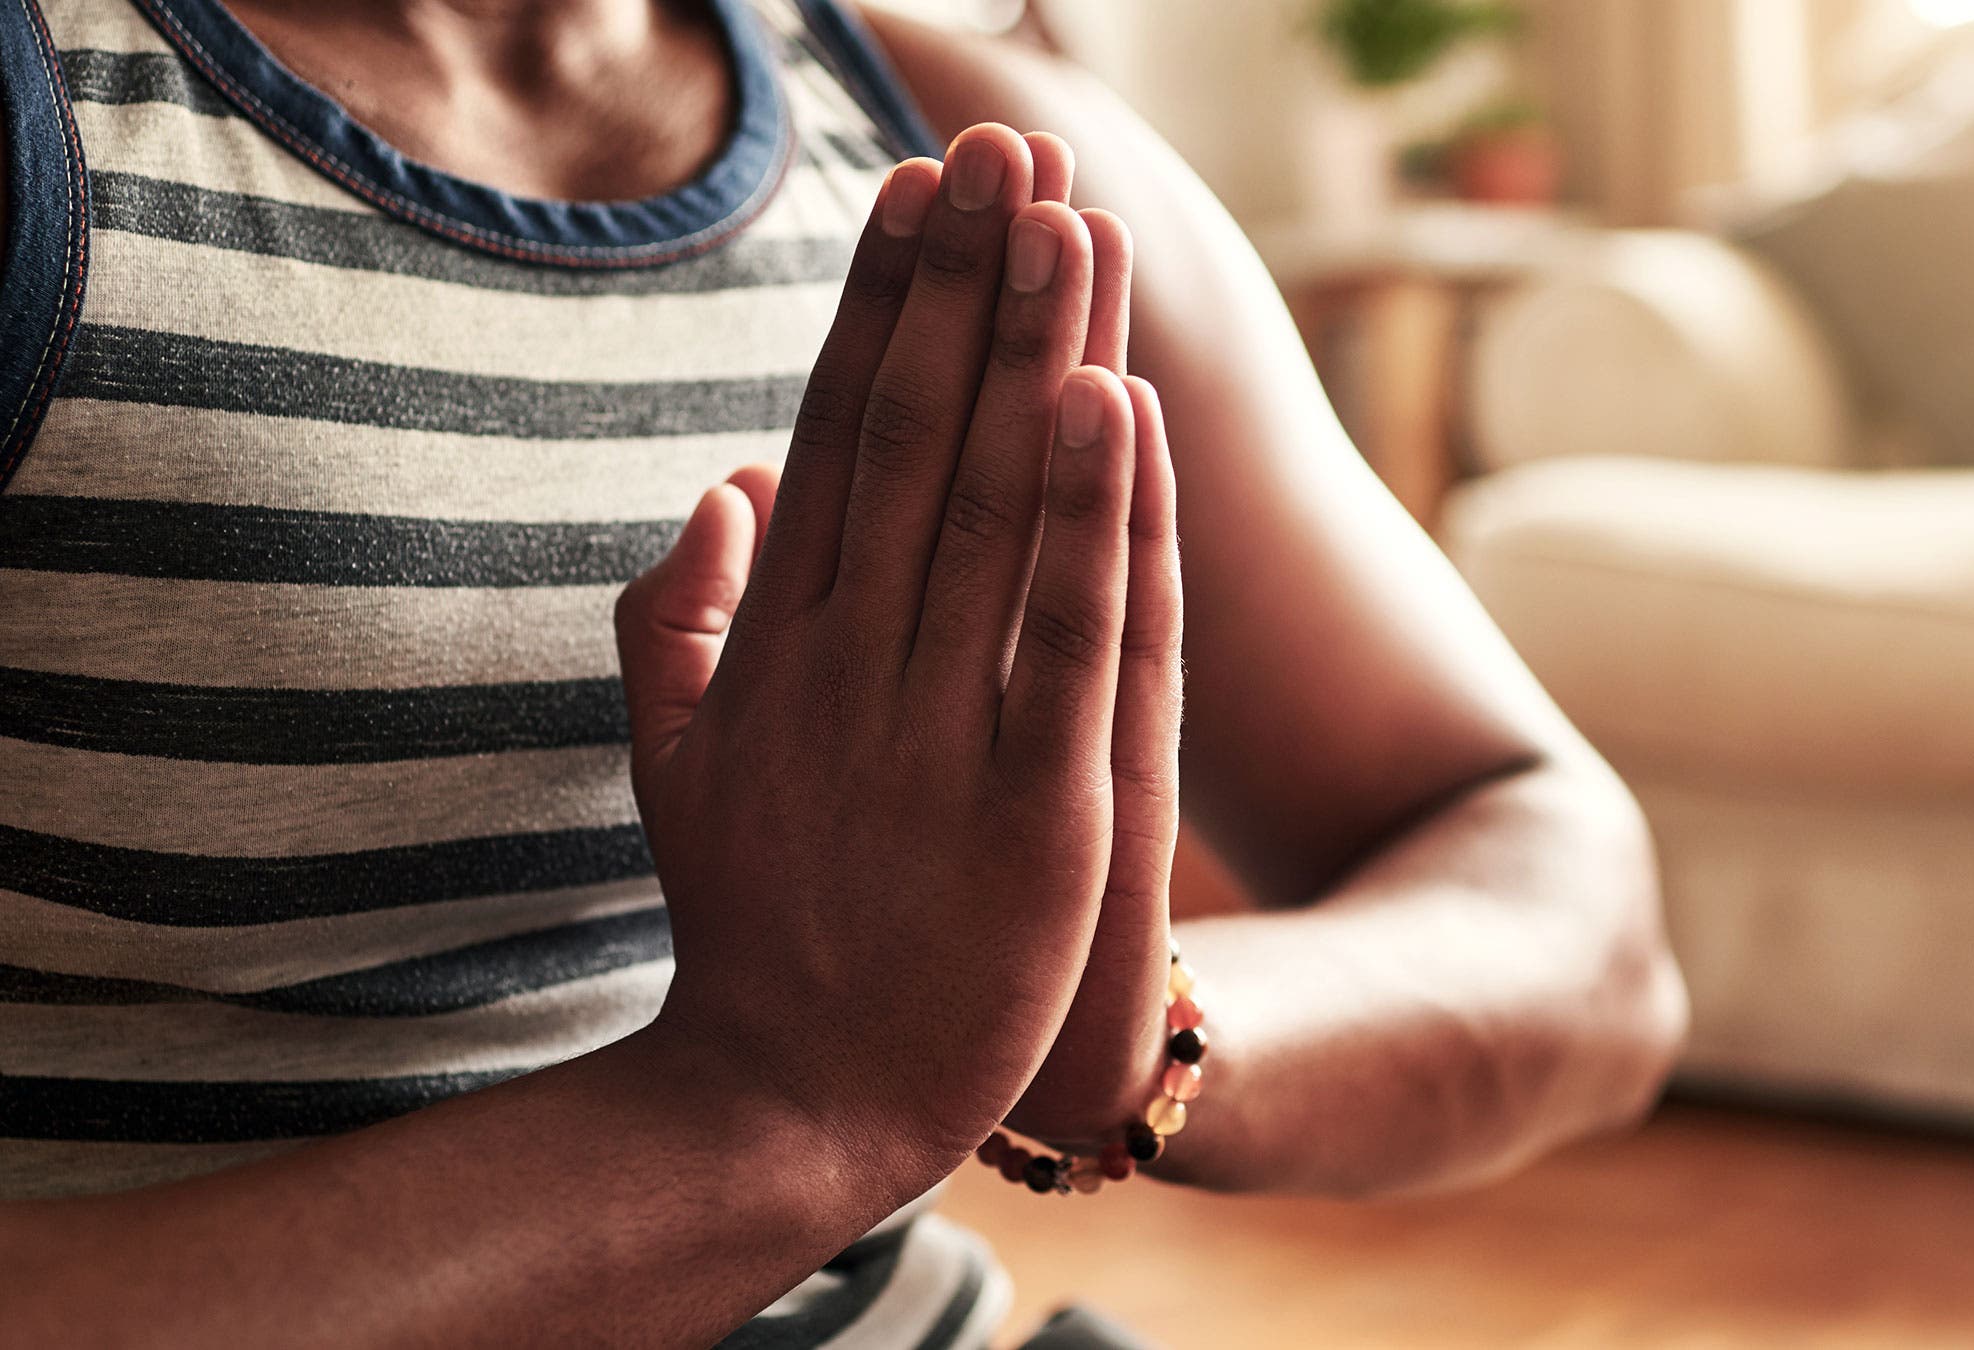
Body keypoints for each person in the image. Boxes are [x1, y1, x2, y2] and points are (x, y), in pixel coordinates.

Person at [0, 0, 1687, 1344]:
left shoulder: (976, 149)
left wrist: (1135, 1039)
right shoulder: (62, 126)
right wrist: (771, 1105)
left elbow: (1588, 938)